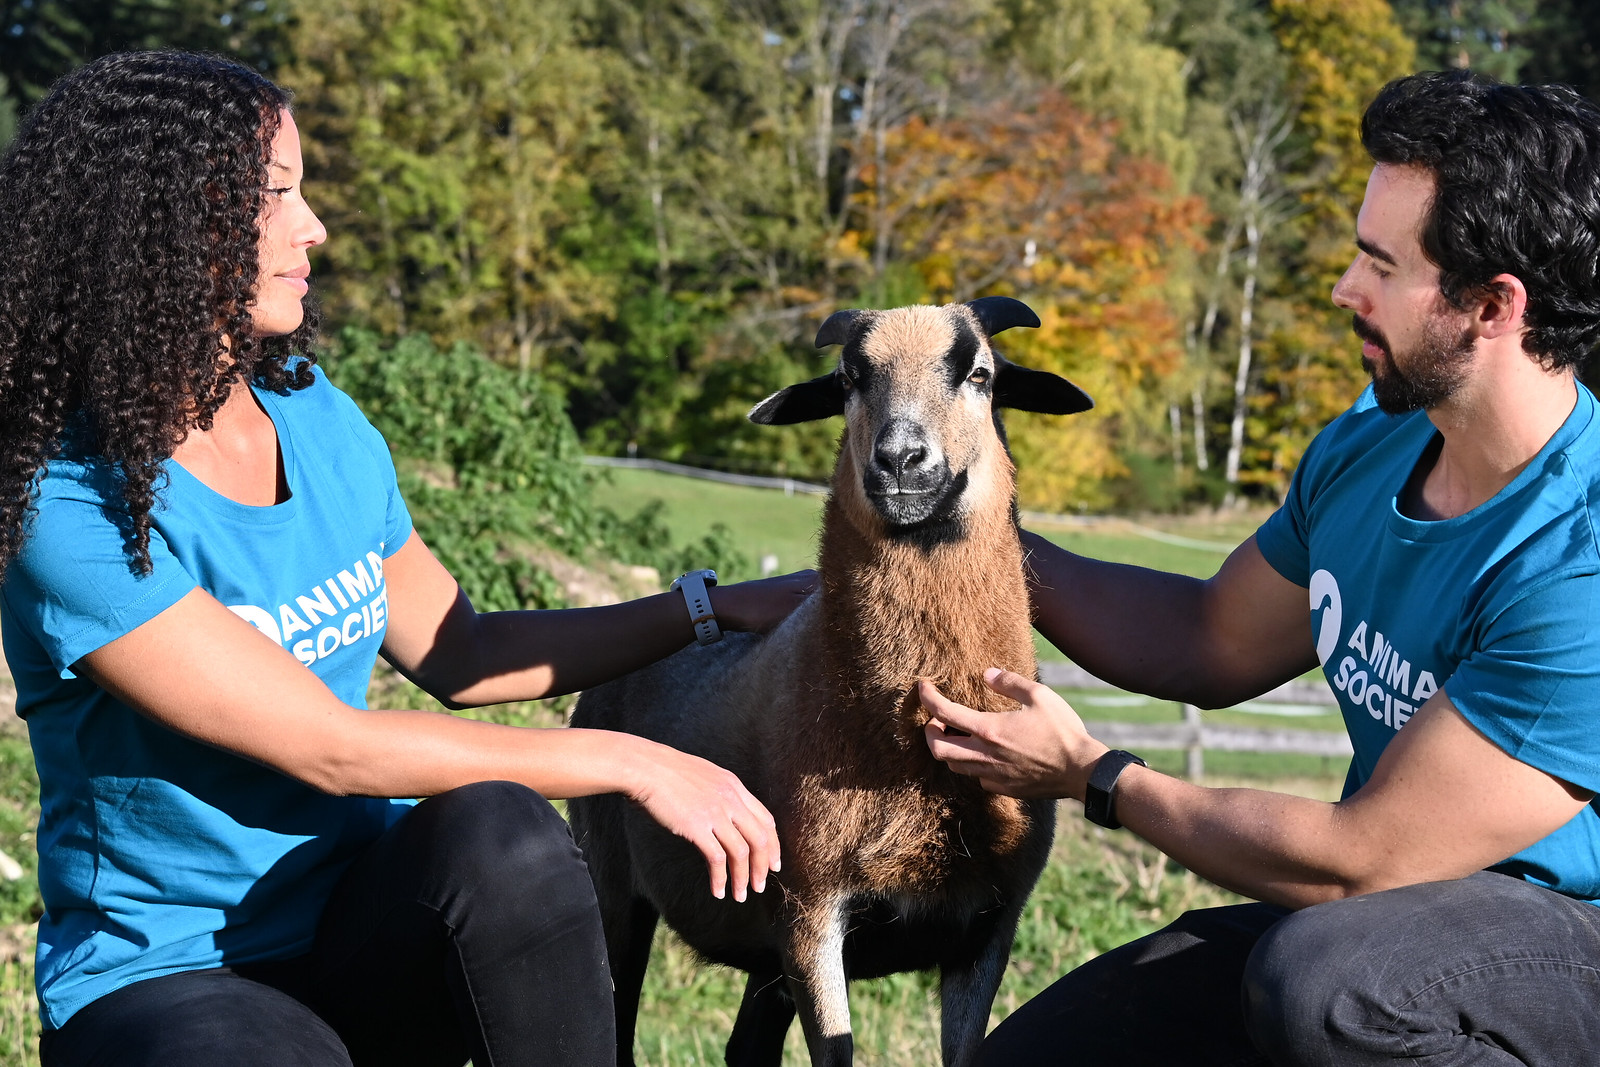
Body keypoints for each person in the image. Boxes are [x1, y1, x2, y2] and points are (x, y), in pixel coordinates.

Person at [0, 51, 811, 1067]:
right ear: (158, 222)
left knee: (504, 834)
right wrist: (635, 761)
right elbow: (332, 747)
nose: (313, 229)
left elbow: (464, 652)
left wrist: (708, 608)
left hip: (358, 926)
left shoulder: (313, 414)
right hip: (173, 979)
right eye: (276, 194)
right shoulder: (67, 502)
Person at [921, 69, 1600, 1066]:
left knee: (1326, 984)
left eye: (1380, 265)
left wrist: (1095, 775)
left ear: (1493, 305)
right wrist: (978, 546)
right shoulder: (1373, 443)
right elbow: (1208, 638)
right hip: (1381, 923)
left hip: (1559, 942)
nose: (1344, 289)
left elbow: (1358, 864)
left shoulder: (1578, 568)